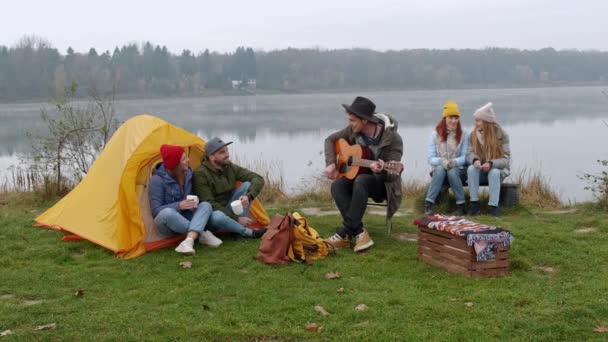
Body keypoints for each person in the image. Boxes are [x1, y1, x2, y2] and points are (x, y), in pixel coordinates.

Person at [323, 96, 404, 252]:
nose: (349, 123)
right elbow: (330, 140)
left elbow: (393, 175)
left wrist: (380, 171)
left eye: (353, 120)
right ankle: (359, 232)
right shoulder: (353, 130)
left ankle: (343, 233)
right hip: (358, 179)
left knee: (362, 180)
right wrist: (331, 163)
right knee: (337, 185)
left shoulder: (393, 139)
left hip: (383, 185)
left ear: (365, 120)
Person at [149, 144, 222, 255]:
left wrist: (194, 203)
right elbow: (156, 211)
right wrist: (179, 205)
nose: (188, 160)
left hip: (186, 216)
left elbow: (190, 196)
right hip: (167, 223)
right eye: (184, 159)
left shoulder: (187, 173)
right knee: (168, 213)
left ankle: (188, 241)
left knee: (206, 205)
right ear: (176, 164)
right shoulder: (157, 180)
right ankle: (202, 234)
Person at [192, 137, 267, 239]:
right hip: (212, 216)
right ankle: (245, 231)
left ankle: (236, 231)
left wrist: (248, 196)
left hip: (229, 209)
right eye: (222, 152)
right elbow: (210, 203)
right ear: (212, 157)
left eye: (227, 150)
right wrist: (236, 219)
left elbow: (257, 178)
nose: (227, 154)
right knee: (217, 216)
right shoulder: (200, 174)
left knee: (247, 185)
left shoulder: (229, 167)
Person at [424, 101, 469, 216]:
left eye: (456, 118)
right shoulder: (435, 134)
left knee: (452, 171)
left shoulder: (464, 134)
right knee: (439, 169)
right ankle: (429, 204)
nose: (454, 121)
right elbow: (430, 158)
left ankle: (461, 206)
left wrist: (453, 162)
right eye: (451, 118)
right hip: (440, 170)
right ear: (445, 118)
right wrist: (442, 161)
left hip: (458, 170)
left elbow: (465, 157)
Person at [466, 102, 511, 216]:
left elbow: (506, 160)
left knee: (494, 172)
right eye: (475, 120)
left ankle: (493, 207)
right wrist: (475, 160)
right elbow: (469, 153)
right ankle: (474, 205)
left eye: (478, 120)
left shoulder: (501, 135)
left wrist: (491, 163)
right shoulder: (473, 135)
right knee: (471, 169)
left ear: (487, 122)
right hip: (481, 171)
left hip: (498, 171)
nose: (475, 123)